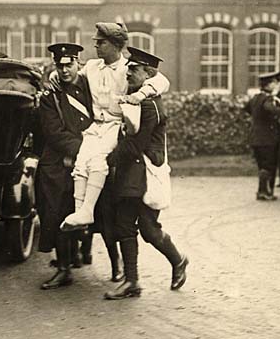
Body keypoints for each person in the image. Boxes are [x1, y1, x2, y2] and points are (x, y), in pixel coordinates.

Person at [59, 22, 169, 229]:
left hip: (115, 125)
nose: (96, 47)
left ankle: (88, 210)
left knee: (98, 161)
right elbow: (72, 75)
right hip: (95, 127)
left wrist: (141, 94)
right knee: (81, 163)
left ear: (114, 45)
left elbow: (161, 80)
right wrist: (55, 75)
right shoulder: (91, 66)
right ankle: (80, 214)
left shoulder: (128, 68)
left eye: (100, 43)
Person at [36, 43, 122, 289]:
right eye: (59, 66)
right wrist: (80, 150)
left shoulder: (88, 85)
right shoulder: (50, 96)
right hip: (62, 160)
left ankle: (116, 265)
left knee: (105, 211)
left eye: (69, 65)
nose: (64, 71)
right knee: (60, 211)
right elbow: (54, 133)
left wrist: (90, 150)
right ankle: (64, 269)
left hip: (93, 155)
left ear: (78, 64)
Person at [104, 47, 188, 300]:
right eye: (128, 68)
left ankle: (179, 259)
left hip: (145, 173)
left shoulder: (149, 105)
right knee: (125, 226)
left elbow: (134, 145)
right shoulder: (138, 98)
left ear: (148, 74)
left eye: (134, 69)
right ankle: (132, 282)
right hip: (133, 174)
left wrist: (108, 157)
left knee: (149, 231)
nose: (128, 73)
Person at [245, 71, 280, 201]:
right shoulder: (267, 98)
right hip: (267, 137)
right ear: (267, 85)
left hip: (255, 136)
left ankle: (262, 191)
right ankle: (266, 192)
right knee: (269, 165)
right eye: (273, 83)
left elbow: (247, 108)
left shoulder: (255, 98)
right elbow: (269, 108)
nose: (275, 84)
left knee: (261, 165)